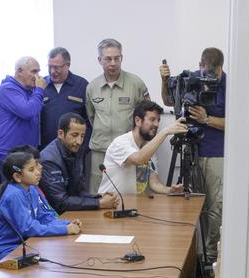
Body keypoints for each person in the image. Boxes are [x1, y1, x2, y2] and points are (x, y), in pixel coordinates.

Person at [160, 47, 227, 261]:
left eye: (214, 75)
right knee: (191, 206)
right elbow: (169, 101)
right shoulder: (190, 79)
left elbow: (239, 122)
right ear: (200, 65)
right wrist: (164, 81)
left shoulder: (231, 85)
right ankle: (191, 257)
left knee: (216, 206)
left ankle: (212, 256)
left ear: (221, 69)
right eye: (206, 72)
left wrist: (207, 119)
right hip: (190, 147)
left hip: (217, 153)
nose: (209, 79)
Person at [0, 151, 81, 267]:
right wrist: (65, 230)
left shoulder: (32, 189)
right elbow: (28, 228)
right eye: (31, 170)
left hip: (21, 245)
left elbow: (45, 217)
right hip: (1, 250)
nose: (38, 172)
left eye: (36, 167)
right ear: (17, 177)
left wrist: (66, 224)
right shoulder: (14, 194)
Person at [86, 39, 150, 192]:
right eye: (108, 58)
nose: (113, 63)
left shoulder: (136, 84)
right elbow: (91, 117)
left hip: (128, 152)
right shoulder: (92, 87)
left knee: (129, 195)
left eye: (117, 58)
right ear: (99, 60)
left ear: (122, 58)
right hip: (100, 151)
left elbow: (147, 117)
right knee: (98, 195)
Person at [99, 100, 187, 197]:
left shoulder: (149, 148)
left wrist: (170, 190)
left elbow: (154, 183)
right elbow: (139, 159)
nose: (157, 124)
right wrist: (165, 132)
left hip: (132, 206)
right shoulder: (120, 142)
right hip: (110, 205)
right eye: (152, 119)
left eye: (158, 120)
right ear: (138, 121)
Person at [40, 113, 117, 212]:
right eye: (74, 135)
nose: (79, 141)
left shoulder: (75, 149)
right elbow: (60, 202)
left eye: (82, 136)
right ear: (61, 134)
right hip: (54, 216)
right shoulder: (49, 160)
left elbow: (78, 192)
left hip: (70, 212)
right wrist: (99, 203)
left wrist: (98, 198)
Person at [0, 57, 45, 165]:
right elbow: (28, 111)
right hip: (9, 155)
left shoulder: (29, 91)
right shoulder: (8, 89)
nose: (38, 76)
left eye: (38, 72)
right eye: (34, 71)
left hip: (25, 154)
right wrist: (39, 90)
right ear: (20, 71)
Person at [41, 48, 90, 152]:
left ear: (68, 65)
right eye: (50, 67)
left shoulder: (82, 85)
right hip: (46, 150)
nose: (53, 71)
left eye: (57, 67)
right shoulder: (40, 86)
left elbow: (89, 120)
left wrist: (84, 147)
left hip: (75, 150)